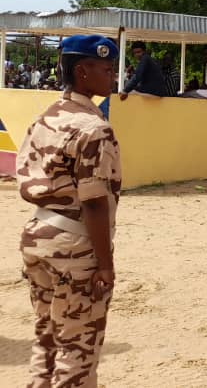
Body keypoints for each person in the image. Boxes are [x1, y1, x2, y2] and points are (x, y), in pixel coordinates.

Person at [17, 35, 121, 387]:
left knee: (46, 339)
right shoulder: (93, 128)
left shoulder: (45, 118)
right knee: (77, 350)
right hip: (75, 247)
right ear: (82, 71)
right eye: (106, 69)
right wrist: (105, 264)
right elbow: (93, 199)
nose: (113, 76)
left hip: (38, 237)